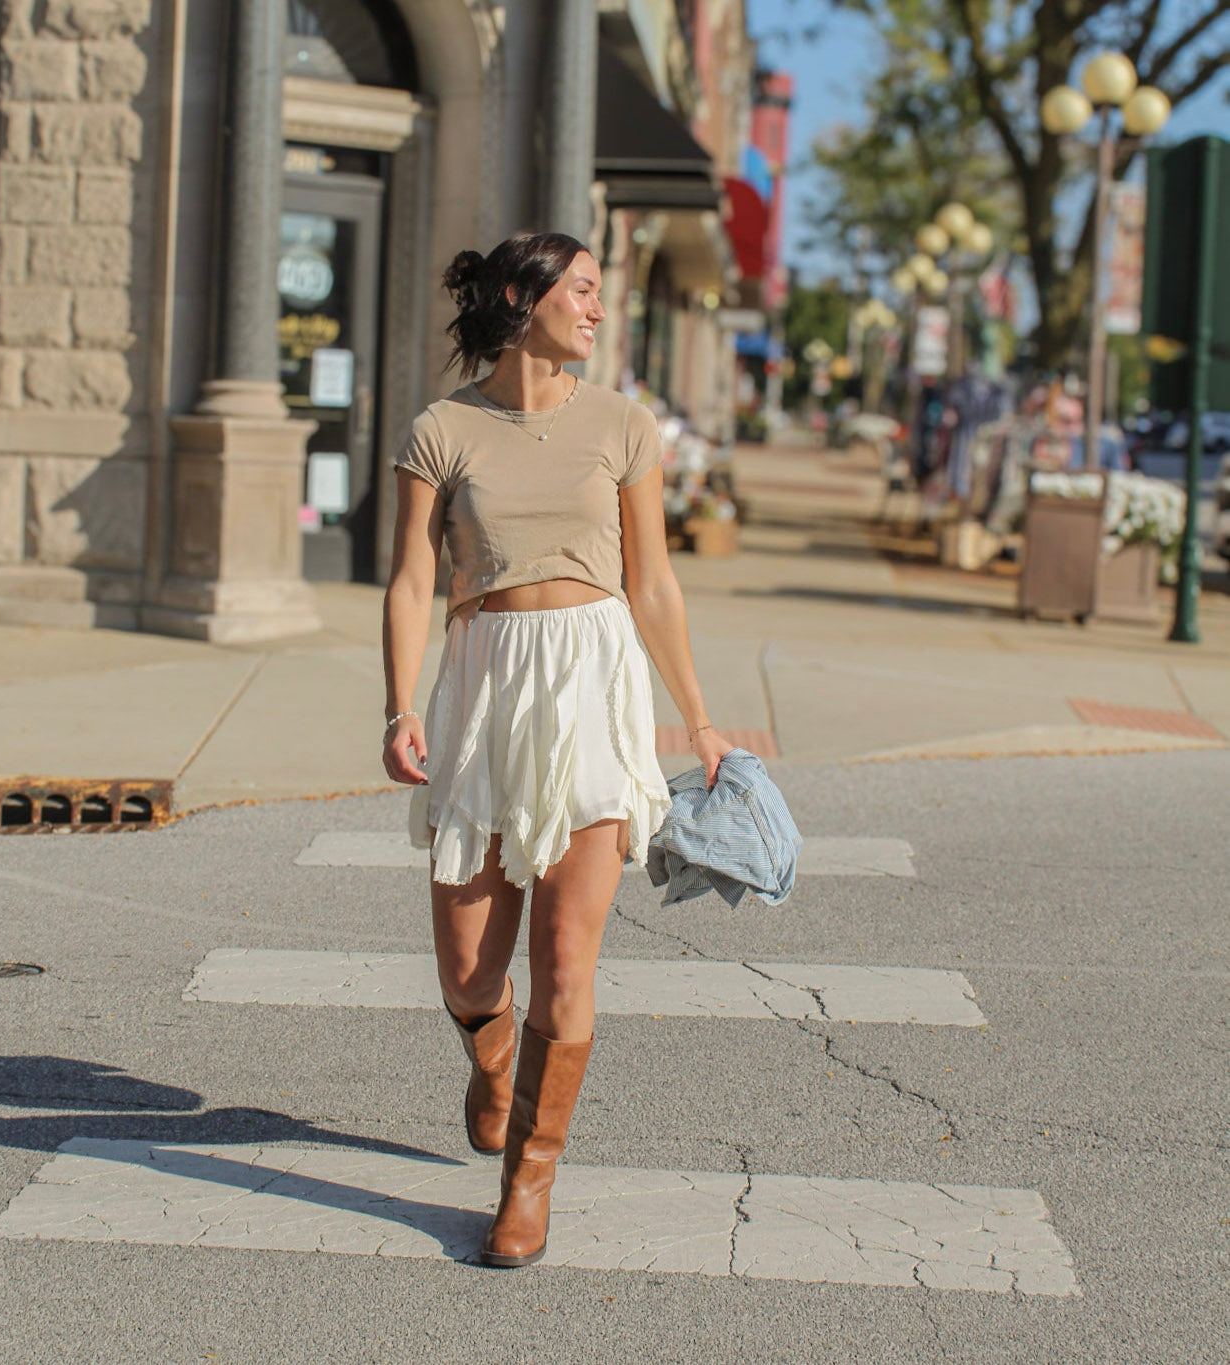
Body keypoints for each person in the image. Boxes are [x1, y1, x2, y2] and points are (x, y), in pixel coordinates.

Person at [381, 231, 732, 1268]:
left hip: (592, 683)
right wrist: (398, 706)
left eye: (597, 292)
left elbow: (655, 583)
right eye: (580, 290)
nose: (596, 307)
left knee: (566, 962)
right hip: (485, 684)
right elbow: (410, 580)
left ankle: (528, 1184)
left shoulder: (624, 425)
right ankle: (492, 1062)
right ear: (519, 299)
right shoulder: (444, 429)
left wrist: (699, 717)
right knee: (466, 966)